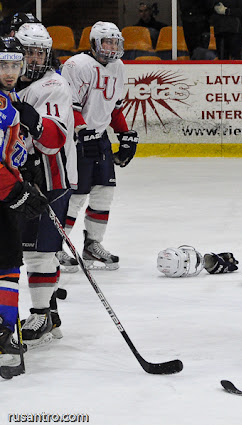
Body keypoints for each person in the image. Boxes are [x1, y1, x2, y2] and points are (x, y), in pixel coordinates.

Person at [13, 23, 76, 347]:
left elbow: (54, 137)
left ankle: (41, 313)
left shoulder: (53, 85)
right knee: (27, 248)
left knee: (41, 252)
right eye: (28, 52)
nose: (34, 58)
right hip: (22, 175)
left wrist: (31, 119)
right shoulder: (11, 83)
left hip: (51, 177)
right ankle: (50, 310)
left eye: (40, 52)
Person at [58, 22, 139, 271]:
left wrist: (124, 133)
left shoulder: (118, 67)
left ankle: (92, 245)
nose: (112, 47)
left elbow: (113, 107)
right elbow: (68, 106)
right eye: (107, 42)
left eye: (116, 42)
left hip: (99, 137)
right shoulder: (76, 65)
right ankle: (55, 247)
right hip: (74, 138)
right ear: (94, 43)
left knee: (104, 192)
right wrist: (83, 133)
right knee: (77, 195)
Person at [0, 36, 48, 365]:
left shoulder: (11, 104)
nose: (10, 72)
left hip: (4, 194)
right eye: (3, 65)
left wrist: (23, 178)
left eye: (15, 65)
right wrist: (14, 190)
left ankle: (5, 330)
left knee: (7, 264)